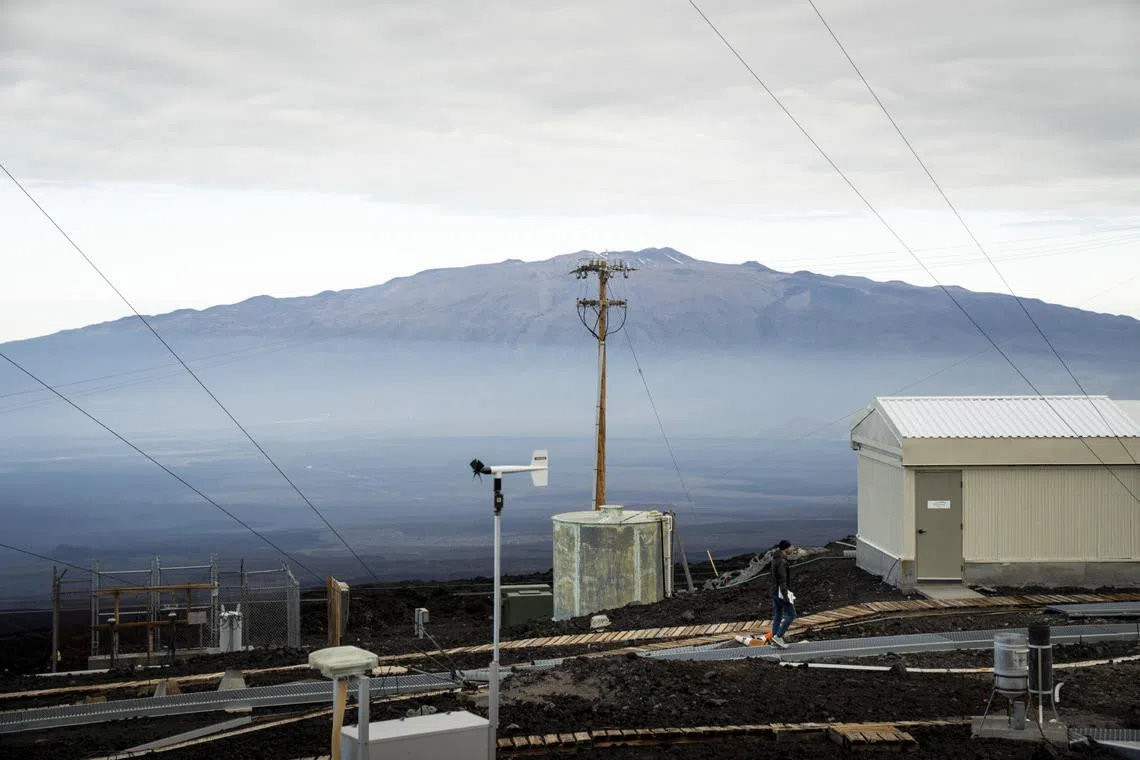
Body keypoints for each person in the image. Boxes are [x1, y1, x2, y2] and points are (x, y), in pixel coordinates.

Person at [768, 539, 797, 648]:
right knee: (792, 615)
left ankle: (774, 640)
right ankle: (778, 636)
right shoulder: (782, 562)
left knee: (778, 615)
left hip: (774, 592)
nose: (793, 548)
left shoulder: (775, 559)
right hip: (781, 592)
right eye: (791, 547)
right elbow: (782, 580)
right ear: (786, 548)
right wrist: (786, 596)